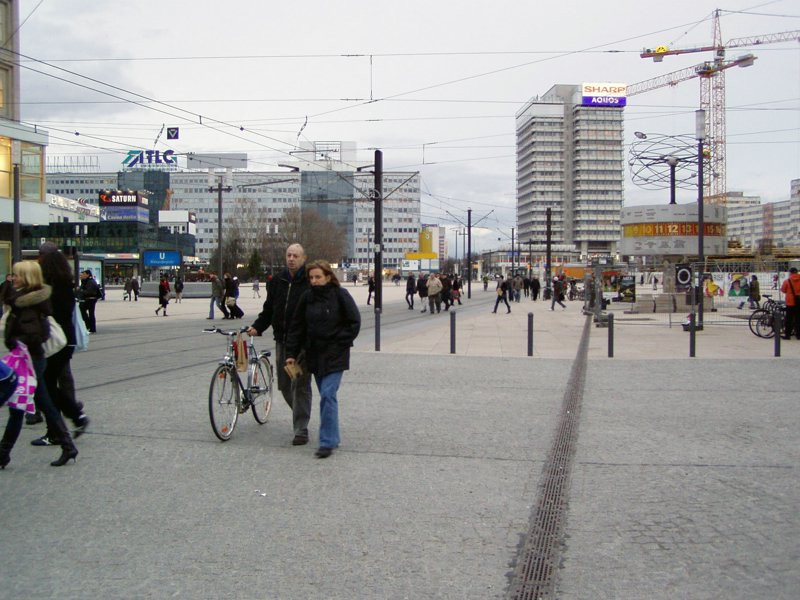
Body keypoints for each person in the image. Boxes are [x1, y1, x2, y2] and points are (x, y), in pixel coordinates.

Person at [1, 260, 78, 468]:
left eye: (16, 275)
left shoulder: (28, 303)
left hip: (29, 359)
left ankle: (5, 452)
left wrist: (15, 340)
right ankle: (4, 452)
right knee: (24, 405)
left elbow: (34, 334)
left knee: (35, 404)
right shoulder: (23, 299)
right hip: (28, 358)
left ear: (26, 278)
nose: (13, 278)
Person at [285, 260, 361, 459]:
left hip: (336, 355)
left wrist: (340, 341)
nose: (314, 281)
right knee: (326, 397)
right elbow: (297, 327)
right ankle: (333, 437)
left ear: (328, 277)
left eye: (318, 277)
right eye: (311, 277)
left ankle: (326, 442)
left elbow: (354, 322)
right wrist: (291, 354)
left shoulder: (340, 295)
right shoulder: (307, 297)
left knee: (328, 394)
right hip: (314, 355)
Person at [248, 244, 313, 445]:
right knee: (285, 385)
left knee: (299, 385)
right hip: (283, 341)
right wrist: (258, 326)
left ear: (304, 258)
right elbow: (269, 309)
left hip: (302, 344)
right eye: (288, 255)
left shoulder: (309, 280)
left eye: (295, 256)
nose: (291, 259)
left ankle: (301, 429)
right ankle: (301, 413)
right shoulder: (278, 281)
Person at [34, 243, 89, 445]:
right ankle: (72, 418)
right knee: (50, 384)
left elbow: (53, 313)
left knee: (46, 387)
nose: (38, 260)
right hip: (64, 341)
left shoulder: (52, 287)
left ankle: (65, 424)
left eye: (40, 256)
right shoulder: (64, 283)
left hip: (55, 342)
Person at [780, 267, 800, 340]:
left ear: (790, 273)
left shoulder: (787, 281)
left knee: (789, 320)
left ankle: (787, 335)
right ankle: (798, 335)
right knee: (798, 319)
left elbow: (783, 290)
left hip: (790, 303)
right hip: (799, 302)